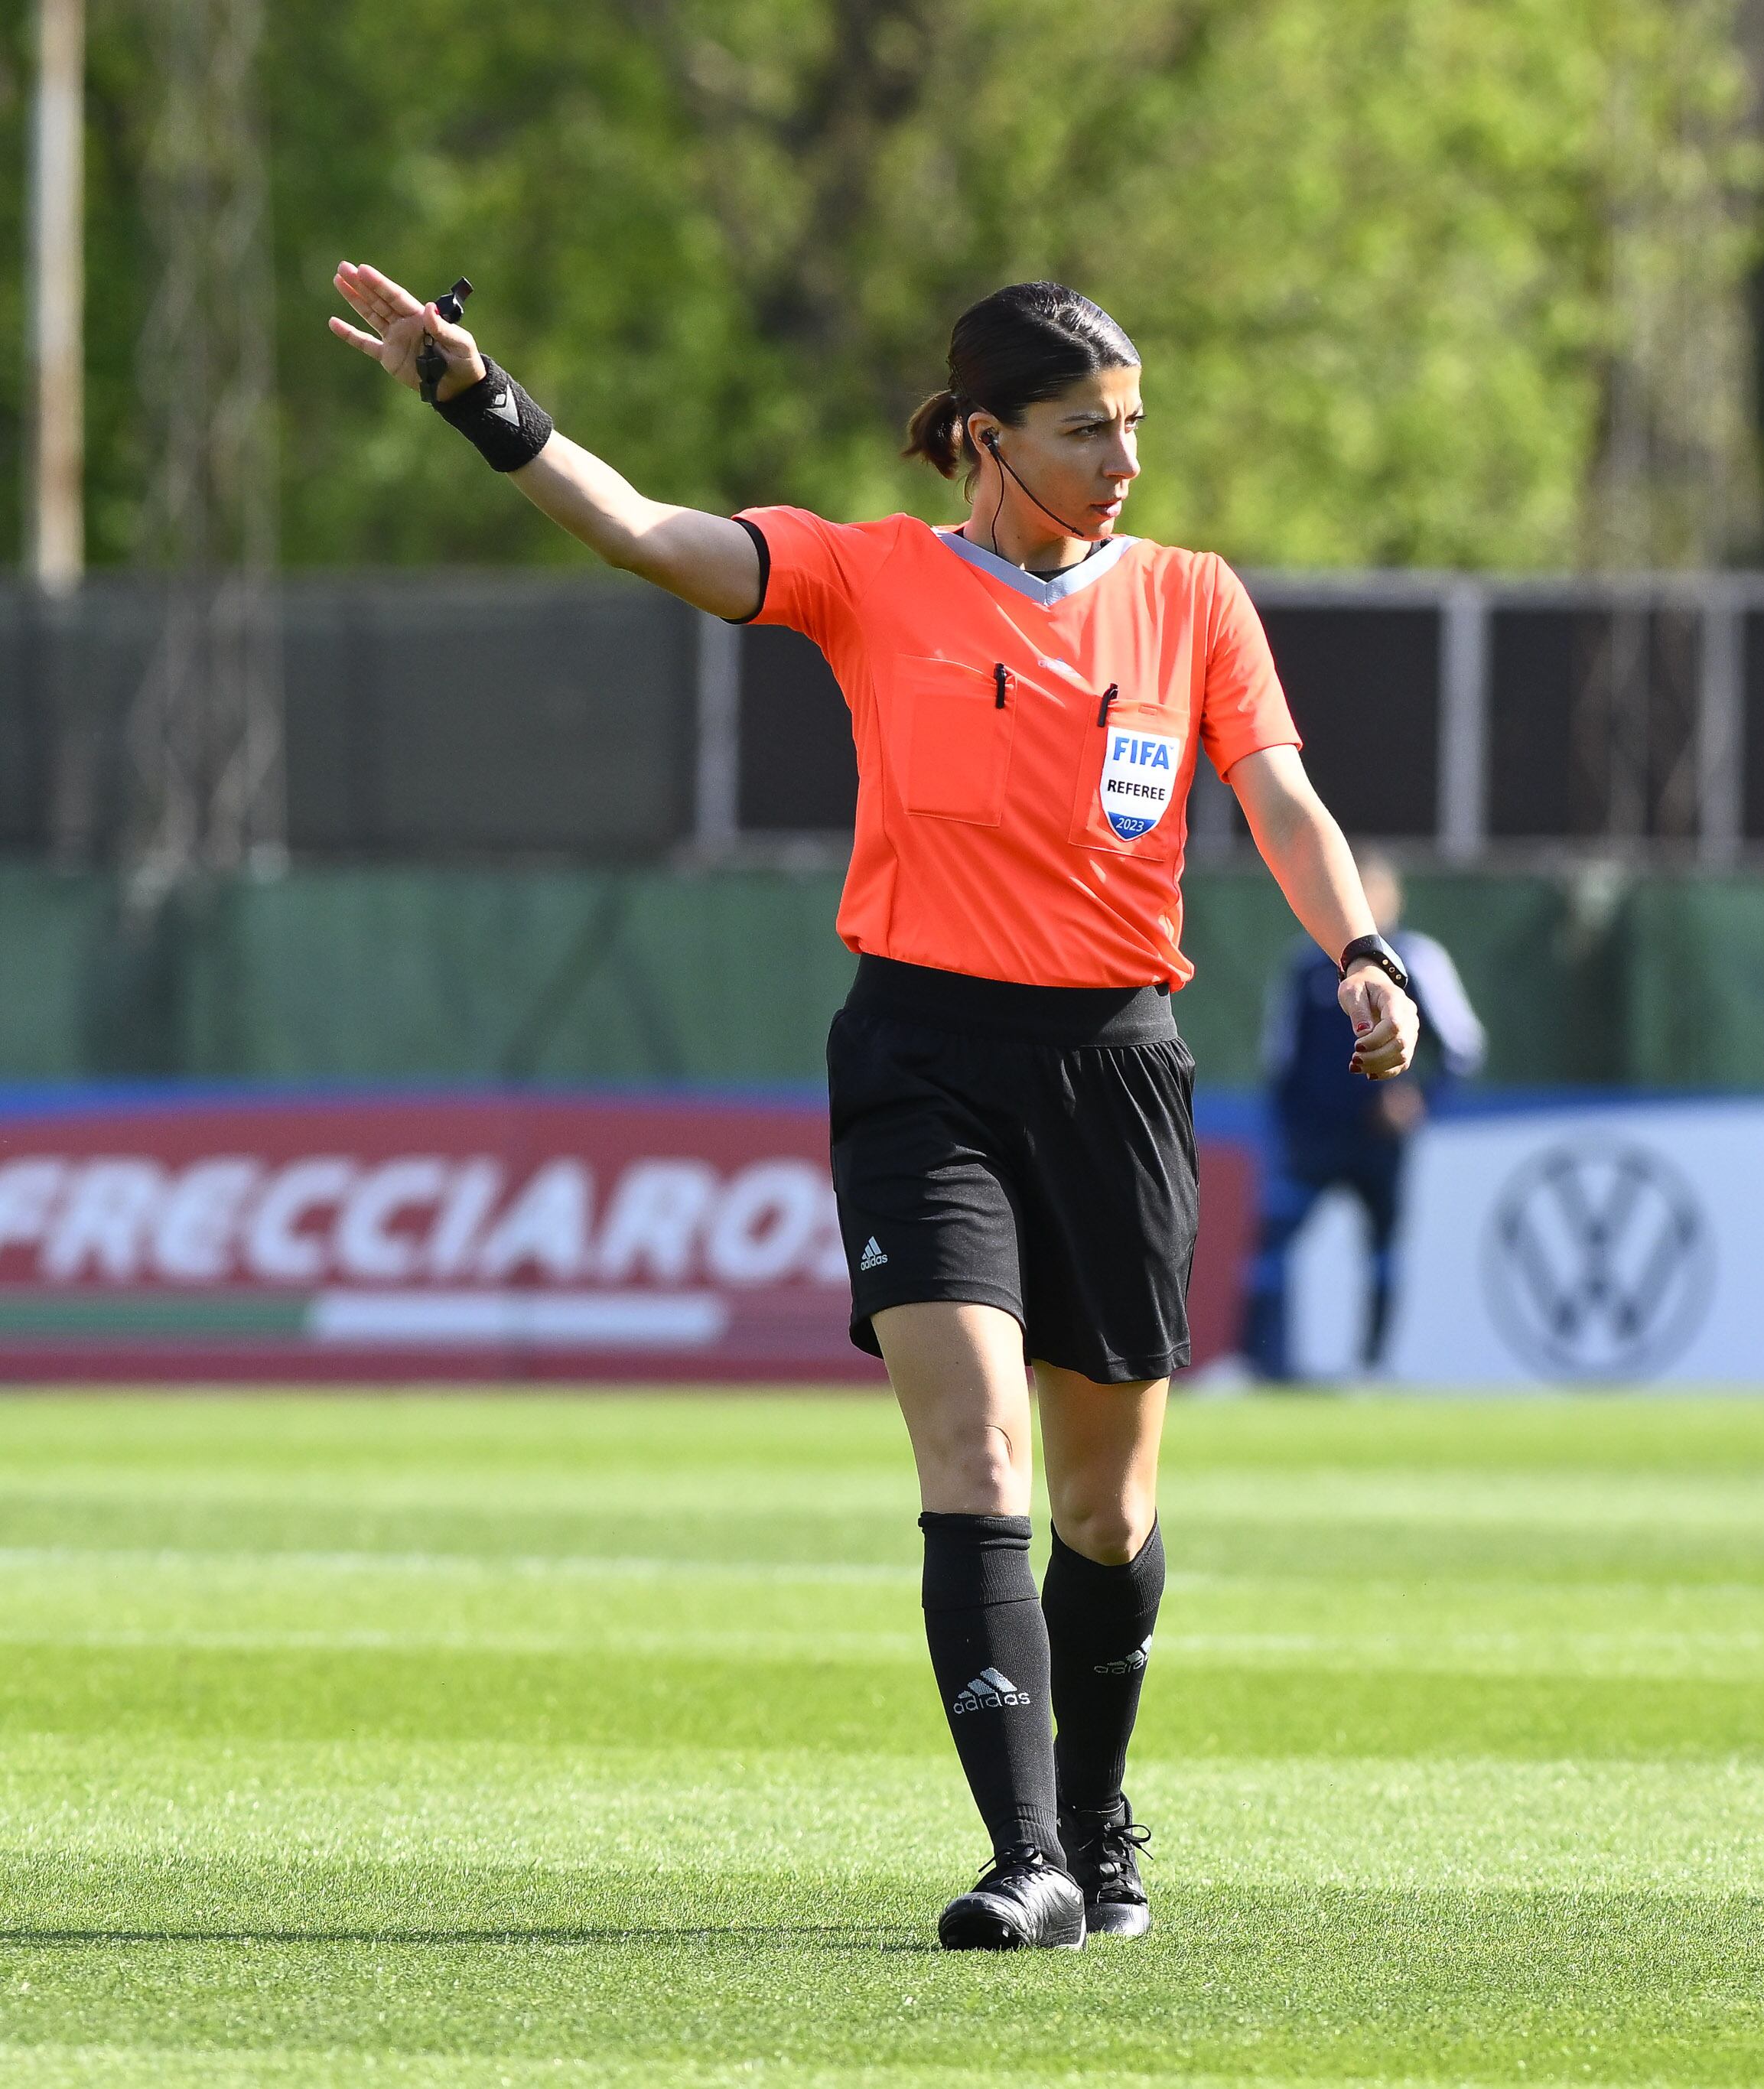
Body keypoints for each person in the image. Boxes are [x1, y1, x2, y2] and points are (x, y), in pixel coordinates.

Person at [327, 265, 1421, 1951]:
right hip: (921, 1063)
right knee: (969, 1447)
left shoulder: (1193, 601)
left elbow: (1276, 794)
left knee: (1106, 1509)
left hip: (1120, 1065)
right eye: (1084, 430)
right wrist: (483, 399)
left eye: (1133, 424)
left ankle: (1100, 1818)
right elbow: (639, 530)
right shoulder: (868, 576)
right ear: (986, 439)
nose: (1123, 458)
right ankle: (1028, 1856)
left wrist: (1357, 949)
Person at [1242, 854, 1486, 1379]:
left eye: (1375, 892)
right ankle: (1261, 1365)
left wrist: (1419, 1098)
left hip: (1380, 1142)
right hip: (1313, 1140)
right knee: (1273, 1248)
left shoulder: (1418, 961)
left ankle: (1371, 1368)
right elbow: (1281, 1055)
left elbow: (1462, 1046)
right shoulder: (1306, 966)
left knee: (1381, 1253)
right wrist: (1286, 1126)